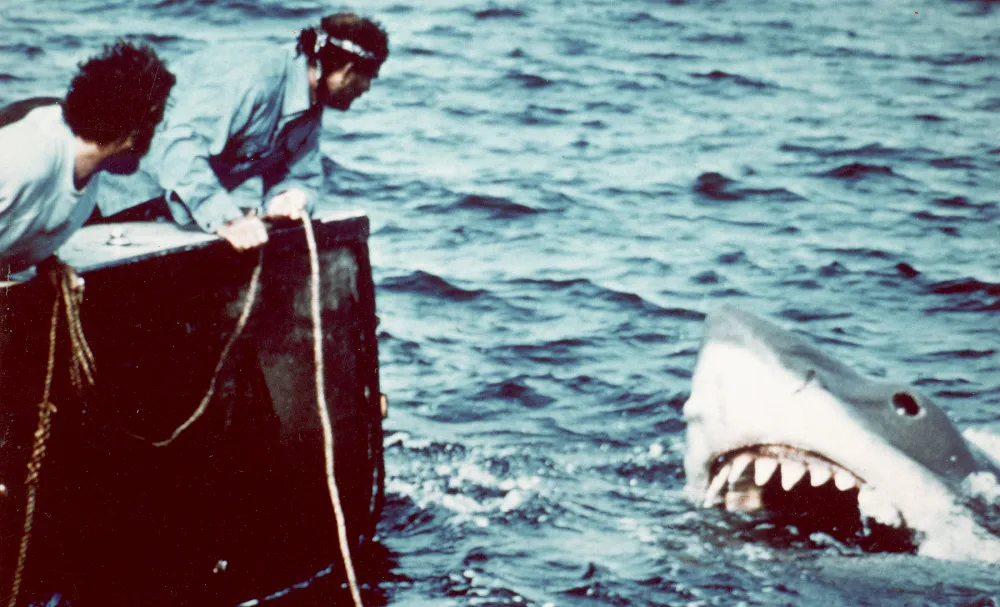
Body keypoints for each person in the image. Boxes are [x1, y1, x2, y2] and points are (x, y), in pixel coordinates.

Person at [91, 12, 390, 252]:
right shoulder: (254, 77)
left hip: (172, 214)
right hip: (108, 199)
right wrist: (228, 219)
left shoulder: (310, 106)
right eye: (369, 78)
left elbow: (302, 175)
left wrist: (290, 197)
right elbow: (179, 147)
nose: (366, 90)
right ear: (348, 70)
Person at [0, 41, 175, 276]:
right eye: (155, 124)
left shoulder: (86, 176)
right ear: (132, 133)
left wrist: (47, 262)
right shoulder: (30, 155)